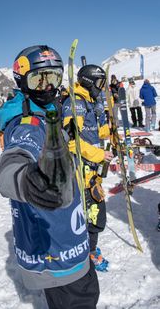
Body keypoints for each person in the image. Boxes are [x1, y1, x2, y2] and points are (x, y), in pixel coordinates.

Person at [0, 45, 99, 309]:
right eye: (38, 80)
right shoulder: (27, 122)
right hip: (57, 249)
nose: (47, 87)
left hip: (66, 236)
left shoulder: (44, 113)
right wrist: (29, 182)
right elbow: (12, 165)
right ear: (22, 82)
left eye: (52, 78)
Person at [62, 65, 113, 272]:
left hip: (91, 169)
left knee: (94, 212)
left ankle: (88, 248)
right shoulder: (75, 104)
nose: (101, 87)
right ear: (89, 82)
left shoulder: (88, 101)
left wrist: (107, 123)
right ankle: (87, 251)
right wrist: (99, 154)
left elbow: (95, 133)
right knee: (91, 213)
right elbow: (71, 141)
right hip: (80, 170)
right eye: (100, 83)